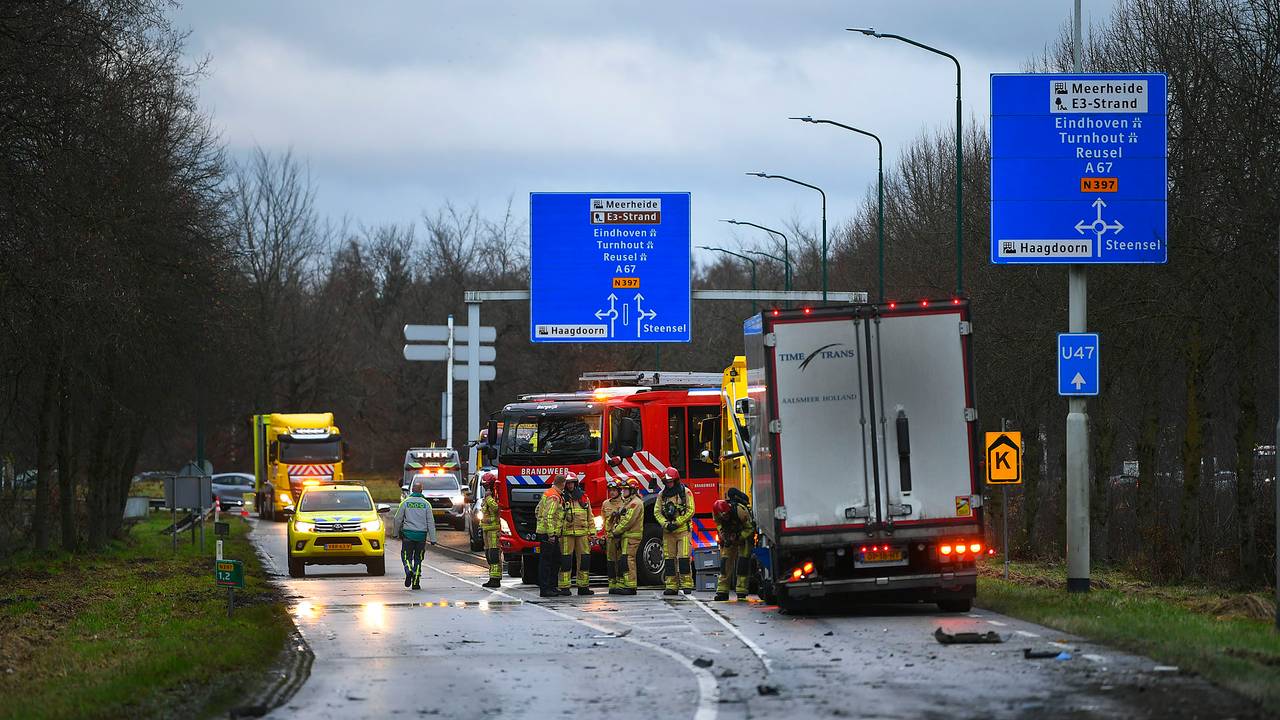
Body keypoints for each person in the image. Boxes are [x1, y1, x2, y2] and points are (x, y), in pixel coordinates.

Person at [392, 475, 438, 590]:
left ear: (412, 490)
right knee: (418, 558)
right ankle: (416, 581)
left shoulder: (406, 502)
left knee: (406, 556)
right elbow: (431, 522)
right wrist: (433, 539)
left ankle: (408, 570)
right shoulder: (426, 504)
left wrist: (395, 533)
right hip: (421, 536)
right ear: (421, 491)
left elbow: (397, 519)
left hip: (408, 534)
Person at [657, 467, 695, 596]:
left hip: (683, 530)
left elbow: (691, 510)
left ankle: (686, 585)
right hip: (668, 532)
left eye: (670, 482)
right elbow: (657, 512)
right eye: (666, 482)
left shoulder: (686, 493)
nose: (668, 484)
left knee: (683, 558)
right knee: (669, 559)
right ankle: (671, 586)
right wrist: (665, 524)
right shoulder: (662, 495)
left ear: (676, 480)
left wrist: (677, 522)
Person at [712, 488, 755, 601]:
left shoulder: (740, 511)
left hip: (744, 536)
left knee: (742, 563)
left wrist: (739, 537)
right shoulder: (716, 512)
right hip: (729, 536)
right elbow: (719, 525)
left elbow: (750, 528)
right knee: (725, 562)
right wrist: (724, 536)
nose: (724, 518)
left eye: (726, 516)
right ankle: (722, 591)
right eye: (722, 517)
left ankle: (741, 591)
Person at [560, 473, 594, 596]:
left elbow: (590, 516)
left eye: (572, 483)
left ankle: (583, 587)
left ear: (576, 483)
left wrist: (592, 532)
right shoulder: (561, 498)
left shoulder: (584, 498)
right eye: (568, 483)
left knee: (584, 560)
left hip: (583, 534)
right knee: (566, 561)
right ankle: (564, 587)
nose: (570, 485)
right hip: (566, 534)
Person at [534, 473, 567, 598]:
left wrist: (541, 523)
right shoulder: (554, 496)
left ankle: (551, 587)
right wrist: (551, 534)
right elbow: (549, 516)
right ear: (562, 483)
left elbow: (537, 510)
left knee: (554, 560)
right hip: (549, 534)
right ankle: (546, 588)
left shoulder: (548, 492)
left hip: (545, 532)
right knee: (548, 562)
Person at [611, 478, 645, 595]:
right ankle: (623, 584)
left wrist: (616, 531)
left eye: (626, 489)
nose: (623, 491)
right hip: (626, 536)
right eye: (623, 489)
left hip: (631, 536)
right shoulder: (628, 502)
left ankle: (631, 586)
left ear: (633, 490)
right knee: (624, 560)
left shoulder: (635, 503)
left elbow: (628, 521)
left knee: (629, 559)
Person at [600, 480, 626, 594]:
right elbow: (603, 520)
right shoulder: (605, 504)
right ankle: (612, 584)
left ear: (619, 491)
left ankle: (620, 582)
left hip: (620, 537)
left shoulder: (625, 503)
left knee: (621, 560)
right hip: (610, 537)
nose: (612, 493)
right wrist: (603, 535)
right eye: (610, 491)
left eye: (614, 491)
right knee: (610, 561)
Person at [479, 471, 502, 588]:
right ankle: (491, 577)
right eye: (484, 485)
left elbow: (497, 508)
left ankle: (495, 579)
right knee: (488, 555)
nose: (485, 487)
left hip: (494, 530)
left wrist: (488, 498)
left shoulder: (495, 495)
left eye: (486, 485)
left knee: (494, 555)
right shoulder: (487, 496)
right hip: (486, 529)